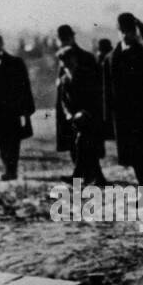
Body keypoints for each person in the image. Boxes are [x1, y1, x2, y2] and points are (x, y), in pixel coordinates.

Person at [105, 12, 143, 188]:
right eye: (122, 31)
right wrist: (108, 121)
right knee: (135, 158)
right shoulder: (111, 58)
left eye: (129, 31)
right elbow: (106, 92)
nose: (126, 34)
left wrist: (141, 24)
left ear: (135, 32)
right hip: (123, 118)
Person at [54, 24, 106, 186]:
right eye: (61, 39)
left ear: (72, 37)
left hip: (88, 110)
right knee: (76, 144)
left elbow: (97, 86)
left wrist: (87, 110)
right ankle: (94, 177)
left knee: (86, 142)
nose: (64, 42)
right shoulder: (62, 58)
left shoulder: (85, 57)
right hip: (69, 109)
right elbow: (61, 86)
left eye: (66, 38)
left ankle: (86, 176)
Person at [0, 33, 34, 180]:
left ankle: (12, 170)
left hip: (12, 109)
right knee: (0, 140)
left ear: (2, 44)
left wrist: (27, 108)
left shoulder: (16, 62)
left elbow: (25, 86)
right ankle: (8, 168)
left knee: (13, 140)